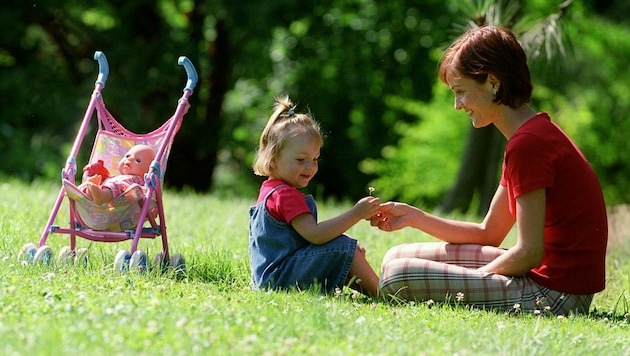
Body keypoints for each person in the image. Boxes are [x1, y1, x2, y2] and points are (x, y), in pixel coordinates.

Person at [371, 26, 607, 314]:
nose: (458, 106)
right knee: (395, 255)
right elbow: (488, 233)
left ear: (492, 82)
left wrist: (477, 278)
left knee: (398, 275)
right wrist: (414, 217)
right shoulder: (530, 135)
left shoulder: (528, 145)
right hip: (548, 281)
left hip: (555, 295)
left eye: (460, 92)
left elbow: (529, 252)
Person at [249, 96, 381, 296]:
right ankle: (384, 294)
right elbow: (316, 235)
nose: (310, 166)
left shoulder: (271, 190)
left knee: (343, 248)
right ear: (273, 159)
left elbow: (306, 240)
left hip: (272, 278)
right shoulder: (285, 195)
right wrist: (357, 213)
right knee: (345, 248)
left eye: (315, 159)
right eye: (301, 159)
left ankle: (372, 289)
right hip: (281, 280)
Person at [82, 144, 156, 205]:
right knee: (102, 182)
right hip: (103, 197)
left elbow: (148, 194)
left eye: (138, 160)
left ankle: (101, 196)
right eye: (127, 156)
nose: (129, 159)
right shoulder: (117, 176)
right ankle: (91, 191)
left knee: (117, 185)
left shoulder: (140, 181)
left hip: (122, 199)